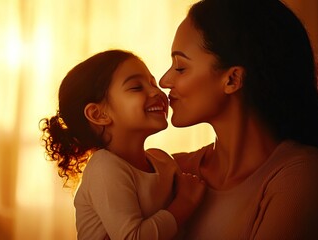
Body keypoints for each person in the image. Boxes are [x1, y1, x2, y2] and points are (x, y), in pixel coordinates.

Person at [159, 0, 318, 239]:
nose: (164, 81)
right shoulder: (174, 171)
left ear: (232, 79)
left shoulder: (302, 176)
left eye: (180, 67)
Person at [40, 49, 205, 240]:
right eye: (136, 87)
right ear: (98, 114)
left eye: (152, 83)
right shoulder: (104, 166)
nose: (157, 91)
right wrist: (184, 203)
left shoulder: (163, 161)